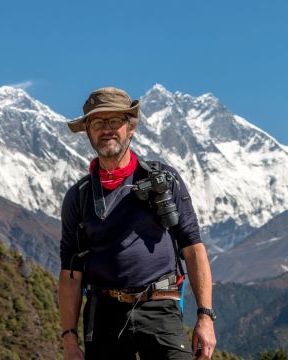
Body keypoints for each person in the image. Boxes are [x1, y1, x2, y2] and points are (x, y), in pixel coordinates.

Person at [59, 87, 216, 360]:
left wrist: (205, 317)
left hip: (160, 309)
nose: (106, 129)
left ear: (130, 128)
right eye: (98, 123)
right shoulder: (79, 196)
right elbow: (70, 274)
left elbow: (193, 248)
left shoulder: (164, 180)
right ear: (88, 132)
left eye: (115, 121)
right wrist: (70, 340)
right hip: (104, 315)